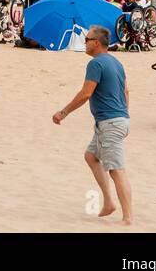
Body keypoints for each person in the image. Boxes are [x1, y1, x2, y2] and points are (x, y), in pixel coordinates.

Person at [52, 25, 131, 224]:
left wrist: (63, 112)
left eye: (87, 39)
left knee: (116, 169)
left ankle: (128, 218)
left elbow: (86, 93)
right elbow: (126, 92)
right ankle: (109, 203)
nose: (84, 42)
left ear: (97, 43)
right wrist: (124, 115)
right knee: (91, 156)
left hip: (110, 122)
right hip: (115, 121)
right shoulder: (116, 62)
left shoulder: (96, 64)